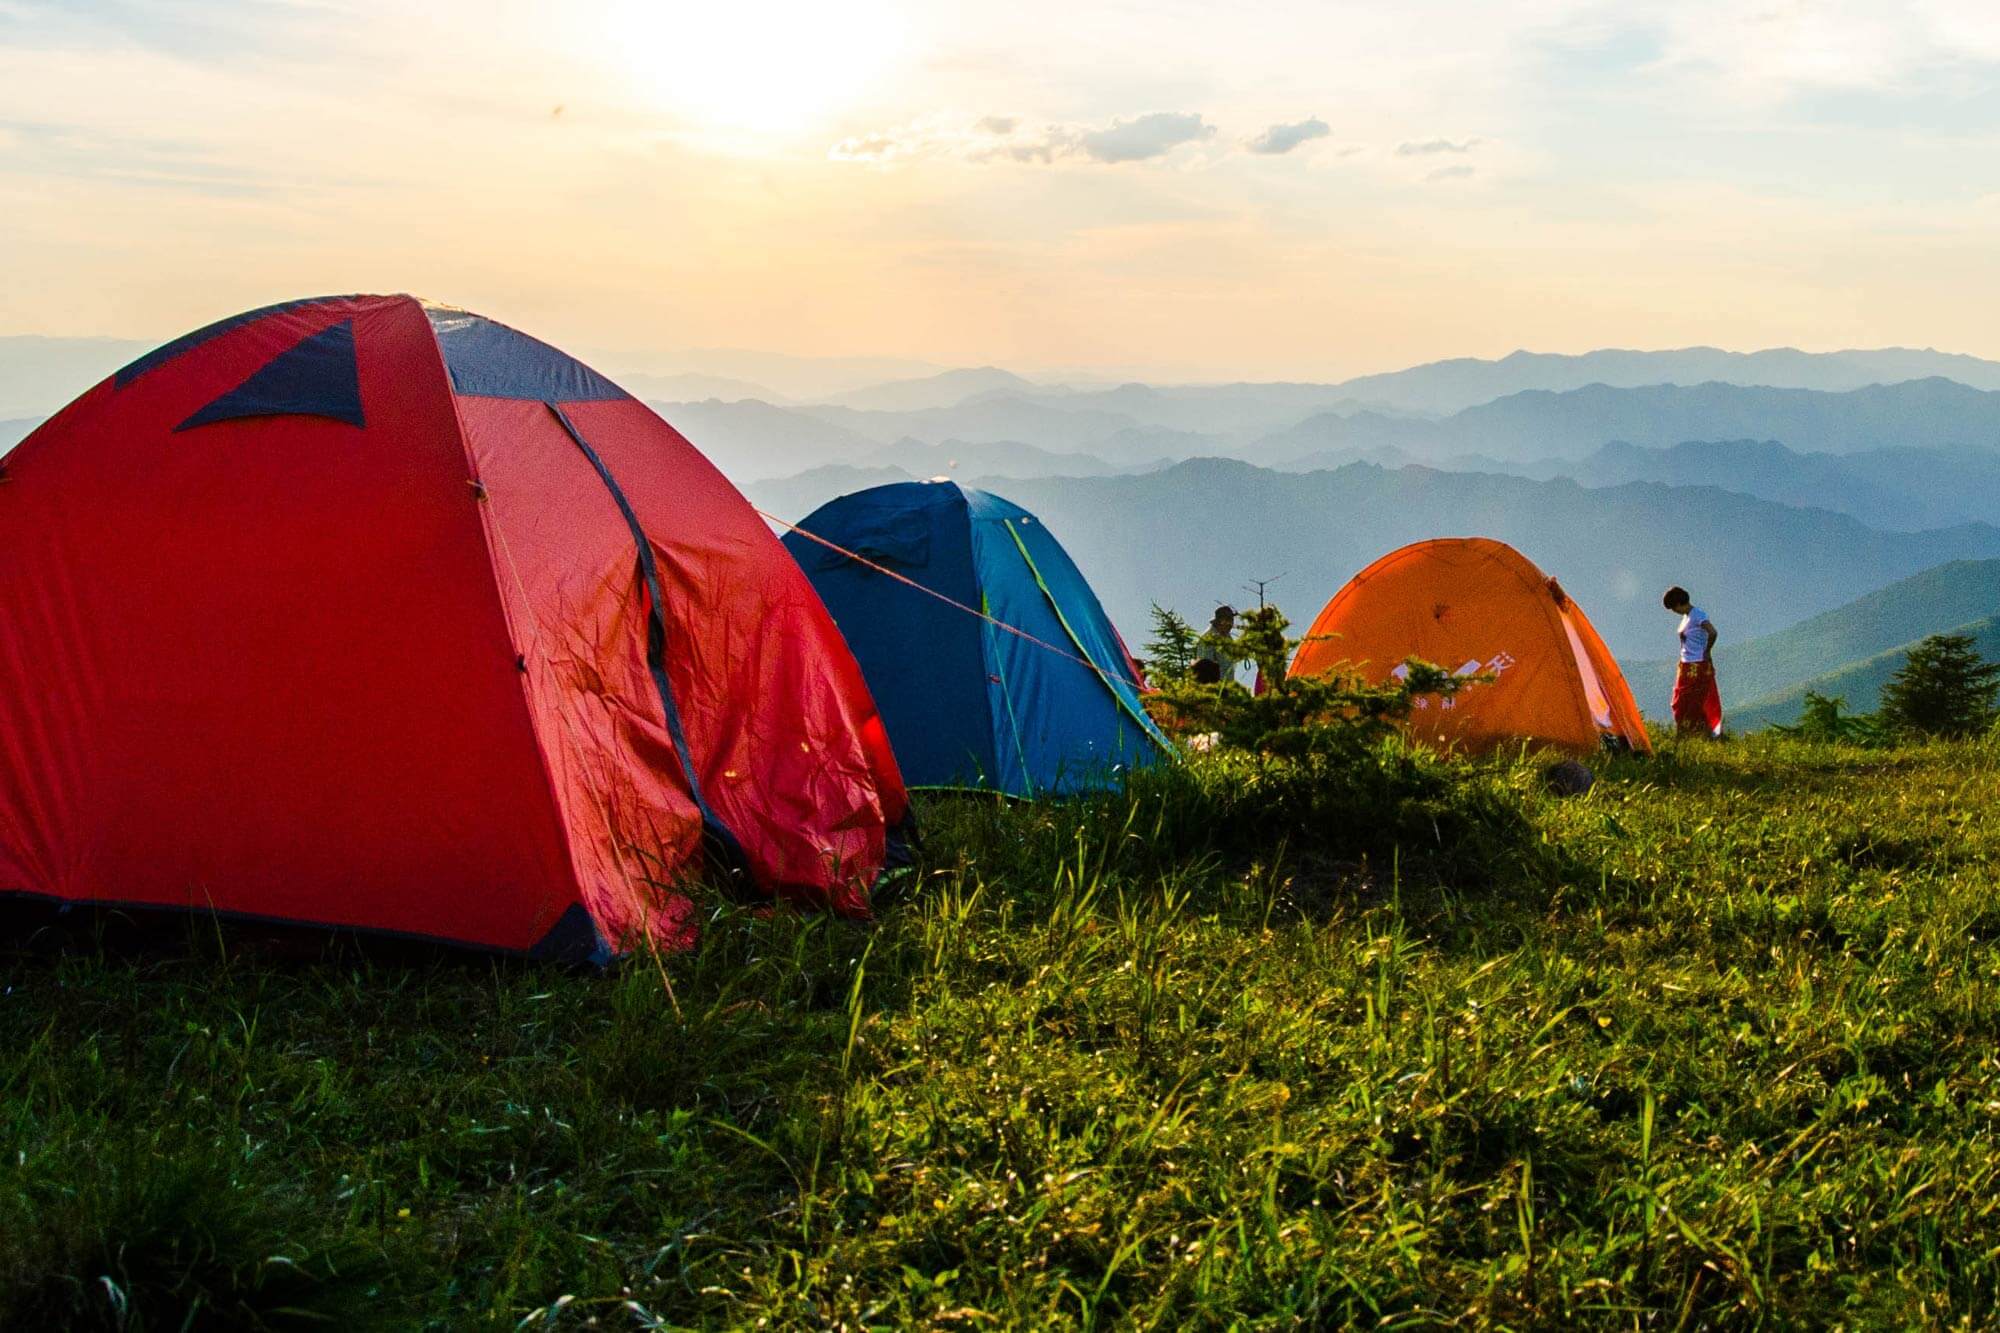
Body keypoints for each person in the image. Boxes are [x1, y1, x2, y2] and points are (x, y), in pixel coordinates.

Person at [1664, 586, 1722, 737]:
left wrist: (1707, 650)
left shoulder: (1698, 615)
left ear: (1679, 603)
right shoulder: (1686, 617)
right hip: (1686, 664)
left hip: (1697, 664)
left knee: (1693, 701)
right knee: (1680, 700)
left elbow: (1712, 632)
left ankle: (1698, 734)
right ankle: (1687, 732)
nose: (1674, 611)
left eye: (1673, 607)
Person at [1191, 605, 1236, 685]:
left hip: (1227, 686)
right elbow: (1204, 668)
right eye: (1226, 620)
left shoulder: (1228, 638)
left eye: (1231, 620)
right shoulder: (1208, 639)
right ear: (1218, 621)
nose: (1229, 624)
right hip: (1214, 687)